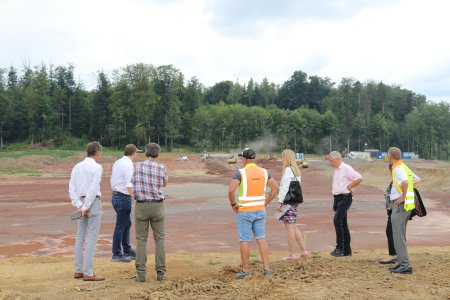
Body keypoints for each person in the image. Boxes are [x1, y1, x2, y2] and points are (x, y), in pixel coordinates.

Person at [228, 148, 279, 279]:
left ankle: (246, 270)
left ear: (244, 159)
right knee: (261, 238)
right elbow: (275, 188)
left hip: (245, 211)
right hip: (260, 210)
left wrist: (234, 205)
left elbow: (231, 190)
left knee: (244, 240)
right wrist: (266, 203)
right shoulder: (264, 172)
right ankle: (267, 268)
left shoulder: (240, 173)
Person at [68, 141, 105, 281]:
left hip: (81, 202)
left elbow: (71, 187)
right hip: (92, 203)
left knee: (80, 236)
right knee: (92, 237)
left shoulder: (77, 166)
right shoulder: (97, 167)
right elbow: (93, 188)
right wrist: (86, 206)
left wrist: (79, 204)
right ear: (97, 152)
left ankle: (78, 270)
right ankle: (89, 273)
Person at [133, 143, 168, 282]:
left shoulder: (136, 167)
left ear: (145, 153)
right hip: (157, 206)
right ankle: (160, 272)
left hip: (141, 205)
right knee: (159, 239)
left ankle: (141, 273)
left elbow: (132, 182)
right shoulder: (161, 167)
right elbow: (164, 184)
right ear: (157, 154)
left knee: (141, 240)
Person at [386, 147, 420, 274]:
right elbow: (416, 180)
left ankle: (405, 265)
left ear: (390, 156)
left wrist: (403, 196)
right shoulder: (404, 167)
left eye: (387, 155)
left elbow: (405, 183)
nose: (387, 157)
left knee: (398, 236)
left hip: (401, 206)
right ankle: (401, 262)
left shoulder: (397, 168)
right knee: (400, 235)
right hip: (405, 206)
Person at [328, 151, 363, 257]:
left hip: (345, 197)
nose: (331, 162)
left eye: (331, 160)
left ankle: (340, 248)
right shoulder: (337, 170)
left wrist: (350, 186)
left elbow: (359, 178)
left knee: (337, 220)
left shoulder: (346, 168)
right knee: (343, 223)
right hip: (338, 198)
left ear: (337, 159)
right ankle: (347, 250)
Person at [276, 149, 309, 262]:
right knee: (293, 227)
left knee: (289, 228)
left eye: (282, 156)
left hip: (288, 203)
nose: (281, 159)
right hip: (294, 202)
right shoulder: (296, 170)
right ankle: (304, 251)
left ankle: (291, 254)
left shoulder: (288, 170)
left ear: (286, 157)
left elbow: (284, 187)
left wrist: (280, 202)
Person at [110, 144, 138, 263]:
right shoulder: (129, 165)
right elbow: (128, 183)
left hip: (116, 196)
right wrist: (135, 198)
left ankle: (127, 250)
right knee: (121, 226)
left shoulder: (118, 162)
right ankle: (116, 253)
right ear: (134, 153)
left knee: (126, 224)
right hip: (123, 197)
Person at [378, 164, 397, 264]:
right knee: (392, 232)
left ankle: (393, 256)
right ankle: (396, 255)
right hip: (392, 210)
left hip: (395, 209)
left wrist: (394, 203)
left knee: (391, 231)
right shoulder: (394, 180)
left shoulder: (398, 180)